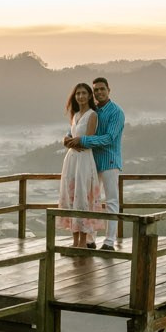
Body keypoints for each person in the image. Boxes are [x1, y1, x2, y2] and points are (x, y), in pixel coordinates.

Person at [63, 75, 125, 250]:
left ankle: (109, 242)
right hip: (89, 160)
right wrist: (67, 138)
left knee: (111, 201)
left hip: (109, 160)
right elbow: (75, 129)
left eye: (102, 89)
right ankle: (89, 240)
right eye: (96, 90)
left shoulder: (116, 112)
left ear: (109, 90)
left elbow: (110, 138)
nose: (99, 92)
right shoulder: (92, 110)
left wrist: (83, 141)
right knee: (89, 198)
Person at [57, 82, 107, 249]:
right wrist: (68, 141)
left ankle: (83, 242)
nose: (81, 96)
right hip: (71, 160)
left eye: (84, 93)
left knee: (83, 195)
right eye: (78, 93)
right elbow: (70, 136)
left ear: (89, 95)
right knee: (71, 196)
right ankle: (74, 241)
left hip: (84, 159)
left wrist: (75, 142)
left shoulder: (92, 115)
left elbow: (89, 140)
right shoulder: (75, 115)